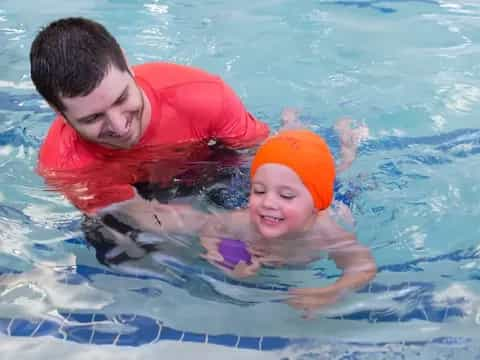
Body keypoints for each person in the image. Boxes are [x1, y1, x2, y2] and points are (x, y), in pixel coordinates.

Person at [30, 17, 269, 214]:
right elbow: (141, 218)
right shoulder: (63, 165)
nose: (120, 126)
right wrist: (213, 227)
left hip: (205, 164)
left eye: (122, 98)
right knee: (121, 246)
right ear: (56, 110)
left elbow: (261, 157)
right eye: (93, 118)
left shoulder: (203, 98)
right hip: (131, 192)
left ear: (126, 62)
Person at [198, 127, 376, 316]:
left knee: (342, 173)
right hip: (307, 183)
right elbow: (210, 227)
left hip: (337, 198)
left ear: (315, 205)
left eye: (286, 196)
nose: (268, 202)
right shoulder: (243, 221)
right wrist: (216, 254)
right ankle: (288, 129)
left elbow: (364, 267)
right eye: (259, 191)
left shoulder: (325, 232)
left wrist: (330, 293)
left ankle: (349, 147)